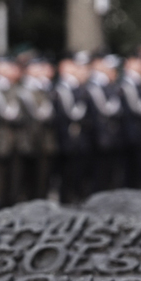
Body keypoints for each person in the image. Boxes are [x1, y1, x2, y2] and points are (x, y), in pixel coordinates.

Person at [0, 57, 26, 206]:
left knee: (16, 186)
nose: (15, 70)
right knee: (0, 186)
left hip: (17, 143)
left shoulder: (16, 89)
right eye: (10, 66)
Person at [54, 54, 93, 203]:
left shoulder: (81, 89)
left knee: (80, 177)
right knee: (67, 177)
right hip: (66, 141)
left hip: (81, 141)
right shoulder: (60, 89)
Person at [18, 57, 57, 201]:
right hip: (28, 143)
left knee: (43, 183)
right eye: (37, 67)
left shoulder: (45, 89)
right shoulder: (22, 90)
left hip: (45, 143)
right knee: (28, 184)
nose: (41, 70)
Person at [85, 54, 123, 193]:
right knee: (98, 174)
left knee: (110, 174)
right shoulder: (93, 85)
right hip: (97, 137)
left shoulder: (109, 85)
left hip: (111, 136)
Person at [119, 55, 141, 190]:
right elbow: (138, 108)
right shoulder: (127, 84)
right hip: (130, 134)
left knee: (139, 171)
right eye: (138, 62)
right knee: (130, 172)